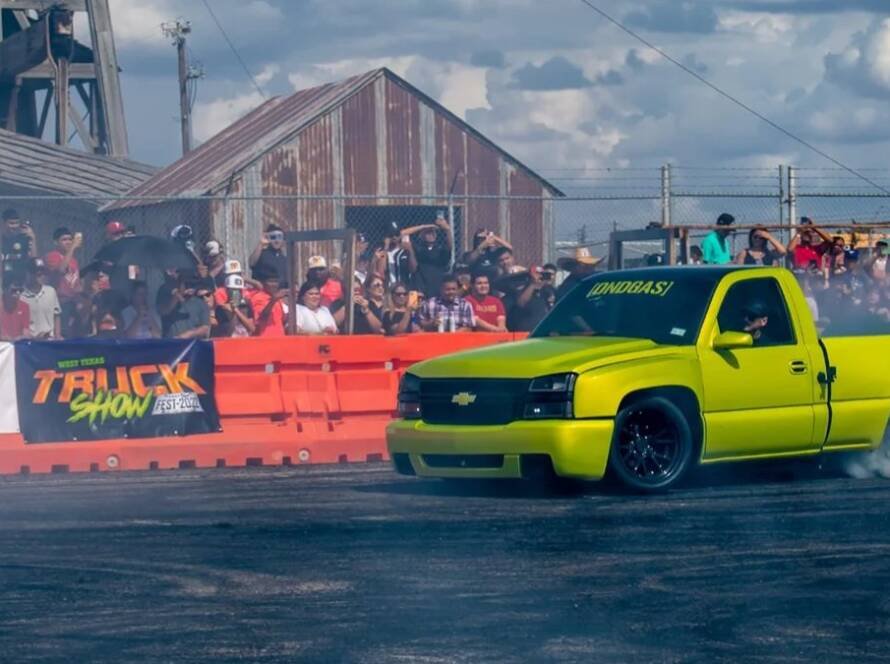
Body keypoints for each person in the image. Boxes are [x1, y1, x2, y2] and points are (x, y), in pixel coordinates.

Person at [44, 226, 83, 336]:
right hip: (60, 302)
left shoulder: (74, 260)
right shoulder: (52, 256)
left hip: (73, 302)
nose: (68, 242)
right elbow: (61, 270)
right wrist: (73, 247)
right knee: (64, 332)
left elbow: (76, 283)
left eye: (70, 239)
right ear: (56, 242)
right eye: (64, 240)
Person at [409, 212, 452, 297]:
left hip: (437, 288)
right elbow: (402, 234)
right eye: (427, 233)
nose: (431, 235)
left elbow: (449, 247)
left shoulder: (440, 249)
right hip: (421, 288)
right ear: (422, 235)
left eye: (433, 232)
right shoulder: (418, 249)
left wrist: (447, 229)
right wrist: (423, 226)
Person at [499, 266, 553, 332]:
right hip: (524, 333)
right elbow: (521, 303)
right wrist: (533, 284)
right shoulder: (513, 295)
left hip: (542, 331)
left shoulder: (545, 291)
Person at [21, 259, 61, 340]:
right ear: (27, 273)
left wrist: (57, 335)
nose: (39, 274)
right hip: (29, 342)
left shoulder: (51, 291)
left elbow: (56, 314)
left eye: (42, 272)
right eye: (35, 271)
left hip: (50, 340)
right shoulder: (20, 296)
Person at [245, 269, 286, 337]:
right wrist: (273, 300)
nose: (274, 285)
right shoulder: (258, 297)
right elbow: (262, 318)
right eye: (270, 281)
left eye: (276, 281)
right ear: (263, 283)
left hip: (279, 339)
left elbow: (281, 319)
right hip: (265, 339)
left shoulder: (277, 297)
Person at [249, 224, 289, 288]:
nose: (277, 240)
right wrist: (261, 244)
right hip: (263, 293)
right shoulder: (262, 254)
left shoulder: (285, 259)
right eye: (273, 237)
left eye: (279, 237)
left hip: (281, 294)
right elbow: (252, 263)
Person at [1, 208, 36, 276]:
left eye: (17, 223)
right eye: (11, 223)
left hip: (20, 281)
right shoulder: (2, 239)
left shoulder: (23, 239)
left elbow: (33, 261)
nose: (15, 226)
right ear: (3, 223)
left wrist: (32, 238)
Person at [0, 276, 30, 341]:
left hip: (17, 345)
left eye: (20, 290)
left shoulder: (24, 306)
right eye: (14, 290)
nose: (18, 293)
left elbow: (26, 333)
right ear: (4, 289)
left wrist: (21, 337)